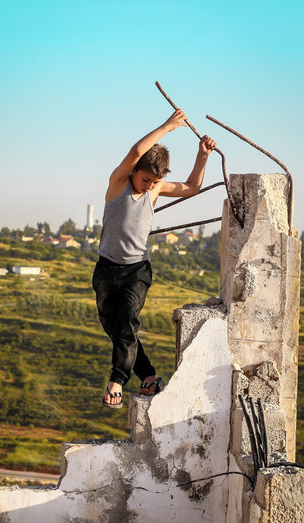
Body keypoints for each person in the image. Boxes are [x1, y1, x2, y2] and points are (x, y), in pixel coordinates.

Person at [93, 109, 217, 408]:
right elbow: (137, 151)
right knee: (117, 329)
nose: (149, 185)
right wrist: (169, 126)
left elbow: (192, 187)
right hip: (106, 270)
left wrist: (203, 155)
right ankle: (148, 376)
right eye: (145, 178)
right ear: (134, 171)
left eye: (154, 181)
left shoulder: (155, 188)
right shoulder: (118, 184)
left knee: (126, 320)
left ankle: (117, 380)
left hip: (137, 270)